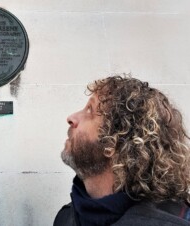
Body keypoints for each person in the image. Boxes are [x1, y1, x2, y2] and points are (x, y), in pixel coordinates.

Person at [54, 75, 190, 226]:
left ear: (113, 142)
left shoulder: (171, 221)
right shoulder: (66, 218)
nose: (71, 118)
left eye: (90, 111)